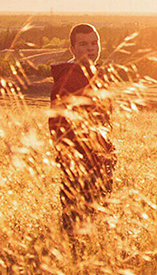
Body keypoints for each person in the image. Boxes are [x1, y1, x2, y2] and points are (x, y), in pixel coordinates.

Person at [48, 22, 116, 245]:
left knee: (95, 225)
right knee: (76, 226)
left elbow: (104, 123)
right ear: (73, 49)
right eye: (84, 44)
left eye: (94, 43)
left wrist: (108, 154)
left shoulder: (95, 76)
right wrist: (76, 162)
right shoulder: (68, 80)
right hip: (80, 167)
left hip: (99, 163)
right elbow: (58, 127)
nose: (91, 48)